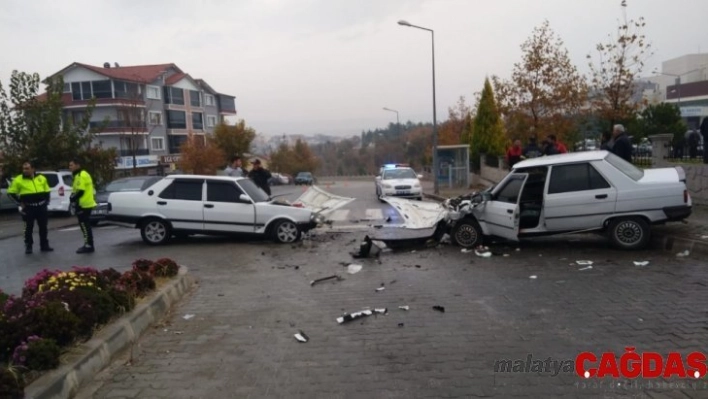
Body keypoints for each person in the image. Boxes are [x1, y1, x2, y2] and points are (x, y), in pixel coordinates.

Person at [7, 161, 53, 254]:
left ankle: (44, 245)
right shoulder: (18, 179)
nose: (25, 170)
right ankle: (28, 246)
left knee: (43, 227)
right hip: (29, 208)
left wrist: (47, 202)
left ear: (33, 169)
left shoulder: (41, 178)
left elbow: (47, 190)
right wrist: (19, 203)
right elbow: (10, 193)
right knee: (28, 228)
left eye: (27, 168)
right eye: (24, 168)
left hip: (41, 207)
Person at [69, 158, 97, 254]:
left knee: (84, 225)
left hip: (84, 204)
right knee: (85, 225)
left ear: (77, 165)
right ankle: (88, 244)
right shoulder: (79, 175)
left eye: (71, 165)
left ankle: (88, 245)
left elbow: (80, 191)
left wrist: (73, 198)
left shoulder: (81, 175)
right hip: (84, 203)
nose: (70, 168)